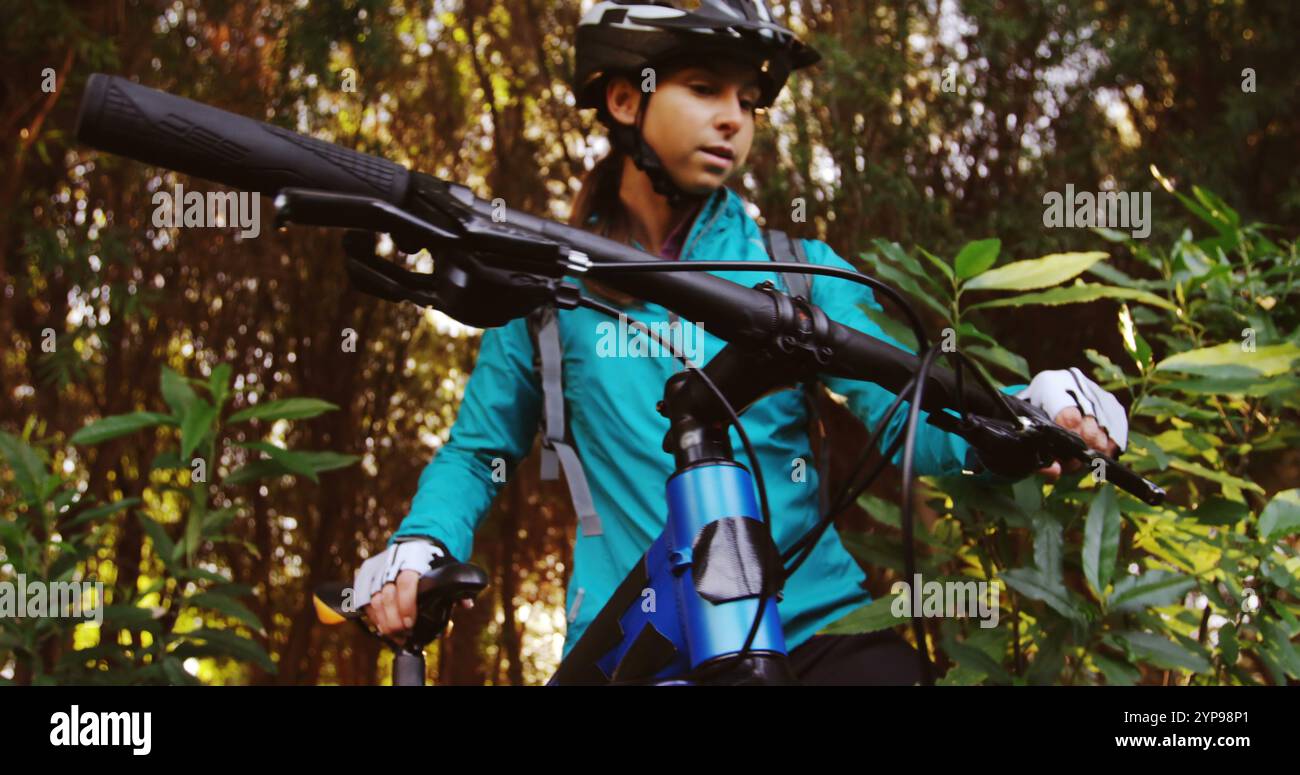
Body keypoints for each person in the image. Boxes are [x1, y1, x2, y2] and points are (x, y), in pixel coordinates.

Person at [350, 0, 1129, 685]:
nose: (735, 118)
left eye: (750, 101)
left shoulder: (797, 273)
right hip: (631, 633)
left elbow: (907, 417)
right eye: (704, 88)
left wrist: (1021, 415)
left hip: (814, 623)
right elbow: (477, 450)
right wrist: (422, 543)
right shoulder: (546, 292)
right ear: (626, 97)